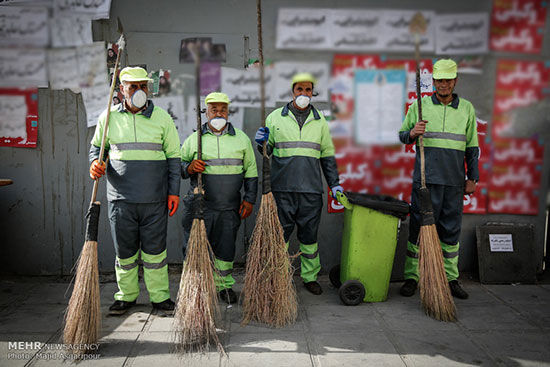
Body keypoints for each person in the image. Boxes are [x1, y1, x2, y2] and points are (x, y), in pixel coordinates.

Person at [89, 66, 181, 315]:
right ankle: (126, 296)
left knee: (155, 252)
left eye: (143, 86)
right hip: (121, 200)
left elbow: (174, 157)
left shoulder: (162, 118)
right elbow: (97, 150)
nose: (139, 91)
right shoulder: (108, 117)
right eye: (133, 86)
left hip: (155, 200)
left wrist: (174, 192)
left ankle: (160, 297)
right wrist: (95, 165)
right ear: (122, 89)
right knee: (125, 252)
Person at [254, 72, 342, 295]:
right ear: (292, 91)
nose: (304, 94)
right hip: (282, 189)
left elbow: (327, 156)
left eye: (308, 90)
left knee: (309, 238)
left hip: (311, 191)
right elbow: (268, 152)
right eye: (299, 90)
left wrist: (335, 184)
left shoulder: (320, 121)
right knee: (280, 237)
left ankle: (310, 277)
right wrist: (261, 143)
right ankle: (279, 276)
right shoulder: (275, 118)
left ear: (313, 92)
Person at [398, 59, 479, 299]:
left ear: (454, 81)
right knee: (417, 230)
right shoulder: (420, 106)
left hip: (454, 182)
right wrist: (413, 133)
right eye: (439, 80)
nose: (443, 84)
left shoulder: (466, 109)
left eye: (447, 80)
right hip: (425, 182)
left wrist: (472, 177)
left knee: (450, 231)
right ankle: (412, 277)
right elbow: (403, 136)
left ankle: (450, 278)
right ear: (433, 81)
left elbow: (472, 148)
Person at [180, 92, 258, 304]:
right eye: (214, 109)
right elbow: (178, 167)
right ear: (206, 112)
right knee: (195, 247)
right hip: (200, 207)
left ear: (228, 112)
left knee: (225, 249)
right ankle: (196, 286)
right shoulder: (194, 139)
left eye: (223, 109)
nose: (219, 113)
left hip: (229, 207)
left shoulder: (241, 139)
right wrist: (189, 167)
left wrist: (249, 199)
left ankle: (223, 286)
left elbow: (251, 171)